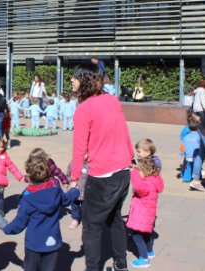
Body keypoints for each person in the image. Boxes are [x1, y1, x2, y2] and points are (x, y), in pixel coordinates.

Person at [69, 64, 133, 271]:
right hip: (123, 171)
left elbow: (79, 149)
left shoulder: (84, 109)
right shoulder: (112, 100)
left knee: (91, 226)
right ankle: (120, 264)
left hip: (102, 176)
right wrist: (130, 157)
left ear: (85, 80)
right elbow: (124, 132)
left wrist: (74, 179)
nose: (71, 80)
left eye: (75, 77)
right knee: (114, 218)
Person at [4, 156, 80, 271]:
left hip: (33, 243)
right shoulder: (56, 190)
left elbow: (19, 223)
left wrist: (7, 229)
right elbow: (67, 200)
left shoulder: (27, 198)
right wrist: (74, 190)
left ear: (29, 176)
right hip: (52, 240)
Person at [127, 157, 164, 268]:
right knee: (147, 234)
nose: (138, 174)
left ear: (146, 172)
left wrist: (134, 172)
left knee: (137, 236)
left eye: (140, 172)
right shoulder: (154, 180)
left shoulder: (146, 185)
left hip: (141, 215)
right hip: (148, 215)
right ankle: (149, 252)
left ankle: (144, 259)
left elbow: (138, 186)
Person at [181, 117, 201, 182]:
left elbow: (182, 146)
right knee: (197, 167)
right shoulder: (199, 136)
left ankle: (186, 179)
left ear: (189, 128)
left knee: (188, 168)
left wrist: (181, 155)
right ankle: (198, 179)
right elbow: (201, 146)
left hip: (187, 156)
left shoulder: (186, 137)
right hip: (196, 156)